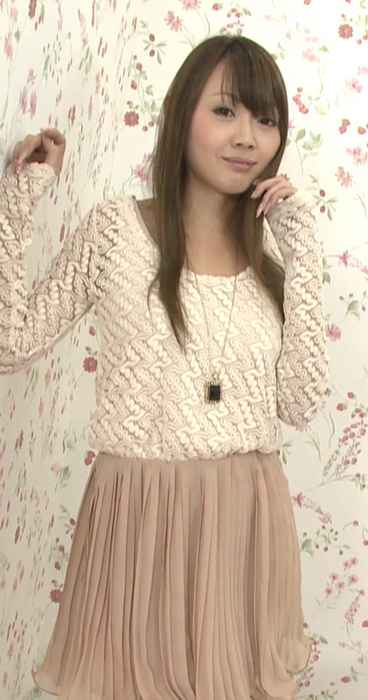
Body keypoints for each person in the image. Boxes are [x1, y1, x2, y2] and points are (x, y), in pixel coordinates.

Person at [1, 34, 329, 700]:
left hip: (245, 518)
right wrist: (21, 198)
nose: (247, 137)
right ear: (183, 115)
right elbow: (13, 343)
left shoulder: (271, 261)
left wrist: (304, 253)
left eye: (265, 120)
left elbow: (300, 402)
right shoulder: (115, 231)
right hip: (140, 517)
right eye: (225, 110)